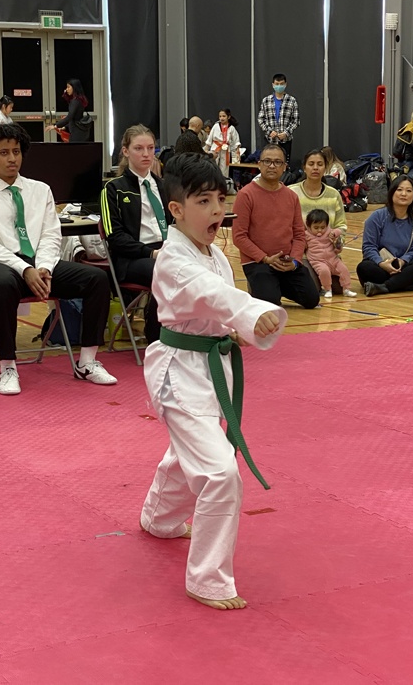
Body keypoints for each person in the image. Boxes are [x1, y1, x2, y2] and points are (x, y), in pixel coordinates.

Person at [140, 152, 287, 610]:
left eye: (220, 200)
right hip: (178, 374)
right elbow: (214, 295)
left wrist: (235, 328)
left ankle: (159, 518)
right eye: (203, 201)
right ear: (176, 209)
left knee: (187, 451)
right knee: (220, 473)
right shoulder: (173, 259)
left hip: (208, 367)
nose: (216, 210)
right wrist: (252, 313)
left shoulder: (213, 253)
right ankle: (207, 578)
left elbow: (215, 306)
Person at [0, 123, 117, 394]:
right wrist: (25, 269)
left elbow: (51, 235)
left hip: (38, 264)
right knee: (3, 283)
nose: (12, 158)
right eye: (4, 153)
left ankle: (87, 361)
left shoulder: (40, 190)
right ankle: (8, 366)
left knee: (96, 279)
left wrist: (43, 267)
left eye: (16, 151)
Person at [101, 124, 172, 344]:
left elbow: (176, 224)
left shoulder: (164, 186)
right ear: (125, 151)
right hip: (131, 259)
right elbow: (115, 238)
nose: (146, 154)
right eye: (139, 148)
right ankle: (157, 340)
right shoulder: (113, 189)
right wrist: (151, 253)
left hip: (166, 251)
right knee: (166, 272)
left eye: (150, 148)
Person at [232, 144, 319, 309]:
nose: (272, 166)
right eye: (267, 161)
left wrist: (295, 261)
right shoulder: (245, 195)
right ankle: (263, 287)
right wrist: (265, 258)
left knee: (311, 300)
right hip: (258, 262)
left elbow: (299, 235)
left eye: (277, 162)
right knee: (270, 302)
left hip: (286, 261)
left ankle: (273, 286)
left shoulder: (291, 196)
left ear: (284, 167)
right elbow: (239, 237)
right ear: (259, 164)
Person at [356, 175, 413, 296]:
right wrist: (381, 263)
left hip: (402, 268)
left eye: (409, 191)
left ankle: (383, 287)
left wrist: (402, 261)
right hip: (380, 266)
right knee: (364, 267)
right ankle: (409, 285)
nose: (404, 194)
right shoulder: (377, 217)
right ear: (392, 192)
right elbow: (369, 247)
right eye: (399, 190)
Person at [289, 149, 347, 233]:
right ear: (304, 168)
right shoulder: (291, 192)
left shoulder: (334, 195)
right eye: (311, 164)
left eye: (320, 164)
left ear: (325, 168)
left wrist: (335, 236)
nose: (315, 168)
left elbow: (341, 226)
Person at [305, 209, 356, 298]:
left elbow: (339, 231)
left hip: (333, 259)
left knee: (344, 270)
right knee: (324, 271)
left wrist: (335, 234)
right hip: (317, 261)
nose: (320, 230)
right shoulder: (306, 235)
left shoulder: (329, 232)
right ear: (309, 226)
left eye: (323, 227)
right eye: (316, 228)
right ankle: (328, 289)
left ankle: (346, 289)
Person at [257, 73, 299, 164]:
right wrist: (269, 131)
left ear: (285, 84)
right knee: (269, 163)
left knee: (283, 164)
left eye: (281, 84)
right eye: (277, 84)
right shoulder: (266, 100)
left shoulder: (292, 100)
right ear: (273, 85)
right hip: (270, 140)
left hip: (285, 140)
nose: (279, 86)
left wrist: (286, 133)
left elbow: (296, 121)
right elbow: (261, 119)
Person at [204, 109, 241, 180]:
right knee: (214, 164)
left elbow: (236, 141)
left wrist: (237, 153)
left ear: (228, 117)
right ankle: (212, 181)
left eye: (224, 116)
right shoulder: (215, 126)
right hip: (216, 147)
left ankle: (224, 182)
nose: (221, 118)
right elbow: (210, 139)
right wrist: (206, 149)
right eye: (220, 116)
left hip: (225, 149)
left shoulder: (231, 128)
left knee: (224, 167)